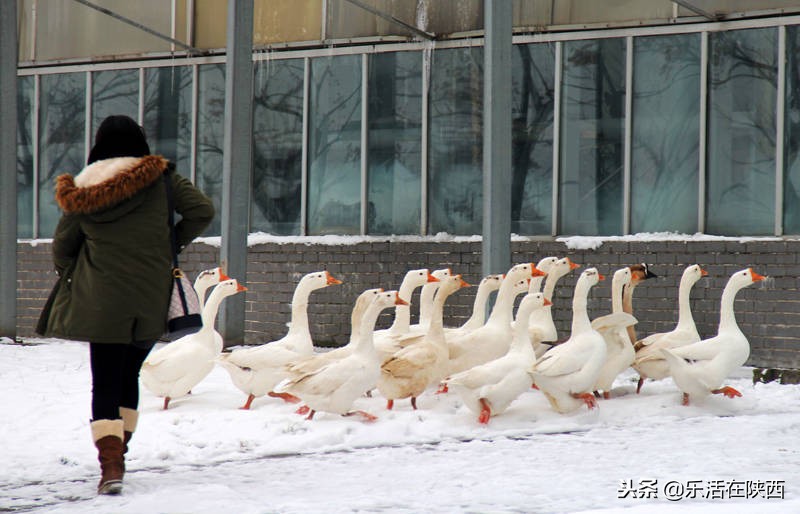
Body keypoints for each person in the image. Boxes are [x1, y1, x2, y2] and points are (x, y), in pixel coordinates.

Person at [37, 115, 215, 495]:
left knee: (105, 379)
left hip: (101, 300)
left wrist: (78, 274)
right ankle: (120, 453)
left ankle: (111, 463)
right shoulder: (163, 180)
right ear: (140, 144)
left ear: (98, 146)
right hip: (151, 296)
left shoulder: (83, 188)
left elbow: (62, 247)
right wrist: (170, 244)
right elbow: (202, 210)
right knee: (128, 374)